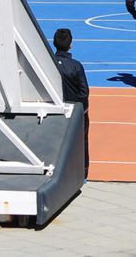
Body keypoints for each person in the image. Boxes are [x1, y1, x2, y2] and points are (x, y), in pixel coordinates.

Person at [52, 28, 90, 176]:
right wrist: (82, 109)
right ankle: (83, 172)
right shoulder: (75, 65)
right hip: (74, 110)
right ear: (70, 45)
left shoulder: (49, 63)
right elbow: (84, 92)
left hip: (55, 109)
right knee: (82, 141)